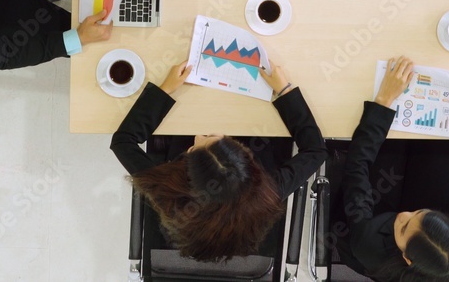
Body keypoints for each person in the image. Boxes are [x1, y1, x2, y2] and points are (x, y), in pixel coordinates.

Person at [110, 59, 325, 261]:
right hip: (253, 119)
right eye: (212, 138)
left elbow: (122, 142)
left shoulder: (170, 193)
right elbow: (316, 151)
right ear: (246, 159)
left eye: (196, 145)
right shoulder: (265, 194)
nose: (198, 135)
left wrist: (165, 89)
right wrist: (285, 90)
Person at [337, 56, 449, 281]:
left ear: (407, 258)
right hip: (421, 213)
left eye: (405, 225)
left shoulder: (368, 246)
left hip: (375, 218)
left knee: (390, 144)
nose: (405, 214)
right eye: (418, 214)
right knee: (433, 141)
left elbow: (357, 167)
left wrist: (383, 100)